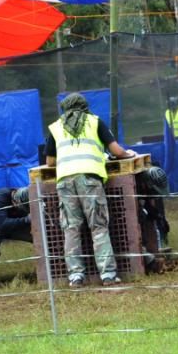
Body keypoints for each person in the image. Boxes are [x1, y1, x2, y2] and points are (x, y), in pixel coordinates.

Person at [45, 93, 136, 287]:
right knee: (98, 227)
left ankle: (76, 276)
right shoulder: (95, 122)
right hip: (90, 179)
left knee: (71, 229)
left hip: (65, 182)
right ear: (84, 106)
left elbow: (50, 162)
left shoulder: (55, 127)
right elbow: (117, 152)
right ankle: (108, 275)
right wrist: (129, 153)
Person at [136, 166, 171, 273]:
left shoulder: (143, 186)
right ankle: (150, 261)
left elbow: (145, 203)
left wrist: (157, 216)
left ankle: (152, 258)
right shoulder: (134, 186)